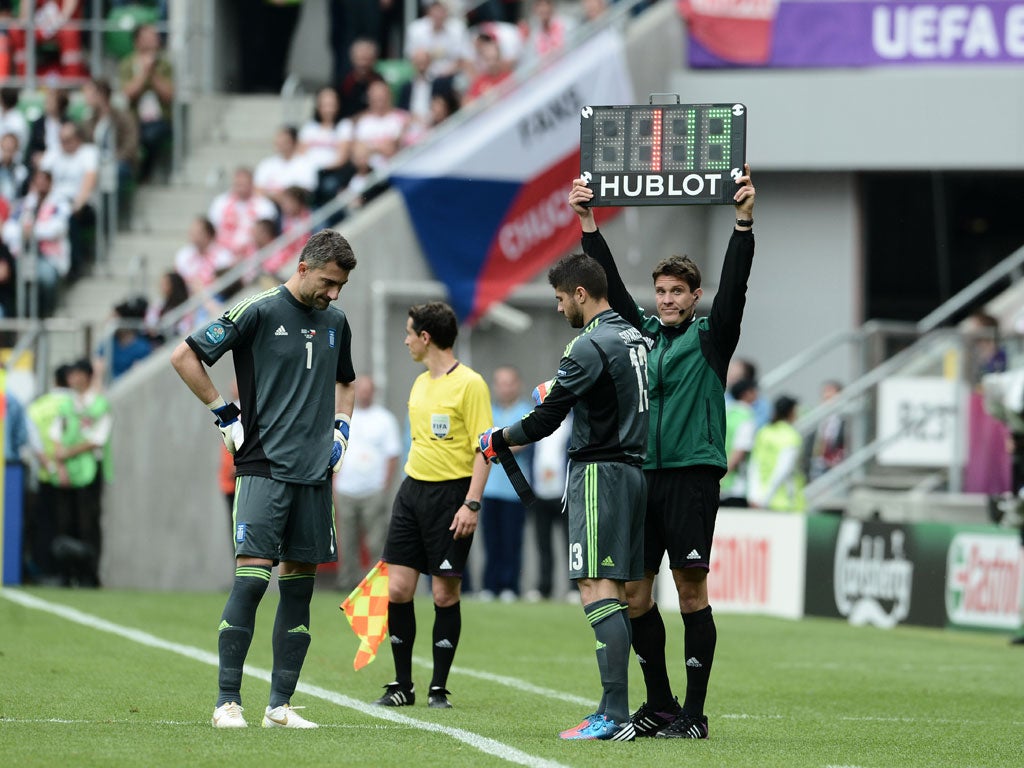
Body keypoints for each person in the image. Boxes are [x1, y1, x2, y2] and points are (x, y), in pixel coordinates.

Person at [568, 163, 756, 739]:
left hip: (692, 477)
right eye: (663, 291)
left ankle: (695, 716)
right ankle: (662, 705)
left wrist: (742, 225)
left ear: (696, 297)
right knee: (634, 593)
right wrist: (588, 223)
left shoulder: (712, 337)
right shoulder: (641, 332)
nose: (668, 299)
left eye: (679, 292)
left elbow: (736, 289)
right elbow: (613, 288)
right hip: (642, 478)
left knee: (691, 590)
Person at [170, 229, 358, 729]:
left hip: (315, 475)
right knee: (252, 583)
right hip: (263, 466)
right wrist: (223, 411)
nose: (334, 293)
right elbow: (184, 356)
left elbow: (346, 381)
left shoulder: (337, 321)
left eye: (340, 285)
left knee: (299, 590)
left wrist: (342, 429)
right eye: (328, 282)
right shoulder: (257, 311)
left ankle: (280, 706)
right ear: (303, 267)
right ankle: (226, 703)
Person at [479, 251, 648, 741]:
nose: (557, 308)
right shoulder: (634, 337)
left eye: (558, 298)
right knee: (619, 591)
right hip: (633, 471)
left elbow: (545, 421)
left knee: (597, 587)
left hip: (600, 473)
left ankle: (613, 715)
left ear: (580, 294)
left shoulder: (588, 344)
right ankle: (622, 709)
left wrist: (498, 438)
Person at [374, 301, 491, 710]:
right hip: (412, 493)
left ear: (426, 337)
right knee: (399, 588)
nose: (405, 340)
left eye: (409, 333)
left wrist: (471, 503)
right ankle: (401, 685)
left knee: (443, 594)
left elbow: (485, 448)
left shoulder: (471, 384)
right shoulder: (420, 382)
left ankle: (438, 688)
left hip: (452, 497)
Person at [333, 374, 401, 592]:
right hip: (346, 489)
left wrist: (384, 486)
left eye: (367, 389)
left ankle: (376, 586)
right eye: (359, 389)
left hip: (373, 490)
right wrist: (334, 483)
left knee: (376, 540)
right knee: (347, 541)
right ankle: (347, 584)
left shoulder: (385, 419)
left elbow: (392, 455)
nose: (363, 393)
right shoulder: (343, 417)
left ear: (374, 392)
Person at [479, 364, 532, 602]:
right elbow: (480, 442)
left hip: (514, 489)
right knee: (491, 541)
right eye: (500, 383)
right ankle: (490, 585)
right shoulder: (487, 412)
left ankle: (510, 585)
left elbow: (521, 442)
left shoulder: (526, 411)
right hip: (489, 488)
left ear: (517, 385)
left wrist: (495, 444)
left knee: (512, 541)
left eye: (509, 382)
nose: (504, 388)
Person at [118, 23, 175, 183]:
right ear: (137, 42)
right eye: (149, 37)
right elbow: (127, 94)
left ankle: (145, 174)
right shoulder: (127, 64)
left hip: (160, 118)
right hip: (134, 118)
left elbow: (169, 95)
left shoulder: (164, 65)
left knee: (151, 135)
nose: (154, 40)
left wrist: (153, 74)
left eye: (155, 37)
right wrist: (144, 74)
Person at [527, 410, 571, 601]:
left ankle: (574, 588)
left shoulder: (573, 424)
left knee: (570, 543)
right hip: (541, 493)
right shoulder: (540, 423)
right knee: (543, 545)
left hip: (565, 494)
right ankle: (544, 587)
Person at [747, 395, 805, 512]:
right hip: (785, 502)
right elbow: (783, 470)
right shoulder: (791, 435)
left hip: (758, 498)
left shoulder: (764, 432)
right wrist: (766, 497)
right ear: (791, 412)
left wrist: (755, 495)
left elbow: (754, 465)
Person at [208, 167, 277, 262]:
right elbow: (213, 230)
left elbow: (265, 235)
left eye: (244, 184)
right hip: (222, 253)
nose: (240, 188)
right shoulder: (220, 202)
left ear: (252, 184)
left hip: (253, 254)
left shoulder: (265, 206)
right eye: (237, 184)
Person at [721, 378, 758, 507]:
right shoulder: (746, 417)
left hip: (718, 480)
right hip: (735, 485)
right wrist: (724, 475)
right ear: (747, 394)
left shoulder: (726, 412)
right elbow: (740, 450)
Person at [806, 379, 846, 482]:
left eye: (831, 392)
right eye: (825, 392)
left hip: (835, 465)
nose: (827, 396)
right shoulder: (818, 418)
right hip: (817, 464)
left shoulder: (845, 418)